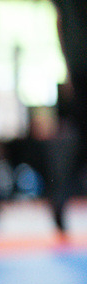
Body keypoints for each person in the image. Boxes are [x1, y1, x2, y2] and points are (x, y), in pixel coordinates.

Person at [51, 0, 87, 235]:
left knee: (84, 139)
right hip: (80, 67)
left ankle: (61, 197)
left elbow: (60, 24)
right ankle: (61, 196)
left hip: (78, 67)